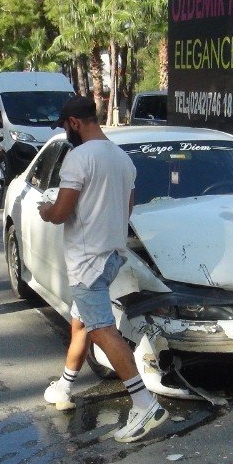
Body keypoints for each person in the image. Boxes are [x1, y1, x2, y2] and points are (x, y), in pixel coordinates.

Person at [38, 95, 167, 443]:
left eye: (65, 126)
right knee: (81, 322)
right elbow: (128, 207)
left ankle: (144, 403)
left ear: (75, 123)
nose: (66, 132)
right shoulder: (122, 158)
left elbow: (62, 212)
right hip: (111, 254)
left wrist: (46, 210)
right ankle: (64, 387)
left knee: (100, 329)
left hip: (87, 261)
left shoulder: (78, 158)